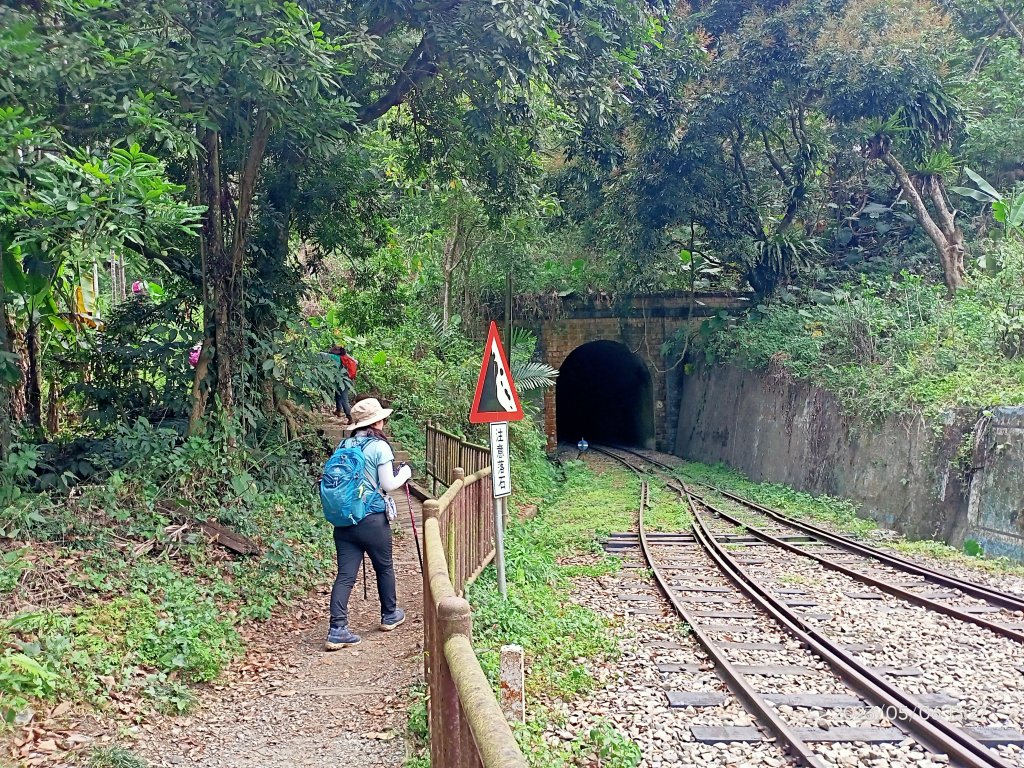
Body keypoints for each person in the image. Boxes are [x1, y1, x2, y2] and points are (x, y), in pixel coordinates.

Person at [325, 397, 412, 650]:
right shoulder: (379, 447)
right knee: (384, 567)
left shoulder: (344, 444)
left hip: (344, 520)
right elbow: (388, 485)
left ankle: (337, 629)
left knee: (344, 575)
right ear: (377, 421)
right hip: (372, 519)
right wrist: (405, 473)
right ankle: (389, 614)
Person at [328, 344, 357, 422]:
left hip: (343, 380)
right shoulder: (346, 357)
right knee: (338, 394)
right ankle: (338, 410)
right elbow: (356, 362)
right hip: (345, 380)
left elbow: (323, 355)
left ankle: (350, 417)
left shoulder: (336, 357)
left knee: (344, 399)